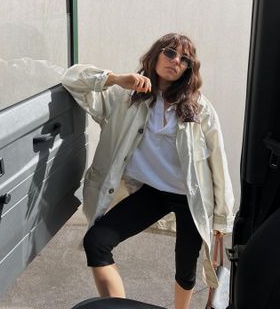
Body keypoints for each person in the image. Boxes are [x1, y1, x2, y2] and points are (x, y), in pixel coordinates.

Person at [61, 33, 234, 309]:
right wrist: (116, 78)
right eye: (169, 52)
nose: (176, 61)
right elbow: (72, 79)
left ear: (189, 69)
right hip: (152, 193)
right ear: (155, 55)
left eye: (184, 59)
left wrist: (221, 221)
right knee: (97, 242)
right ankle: (117, 307)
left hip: (190, 198)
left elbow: (218, 163)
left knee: (185, 267)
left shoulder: (200, 108)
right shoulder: (125, 97)